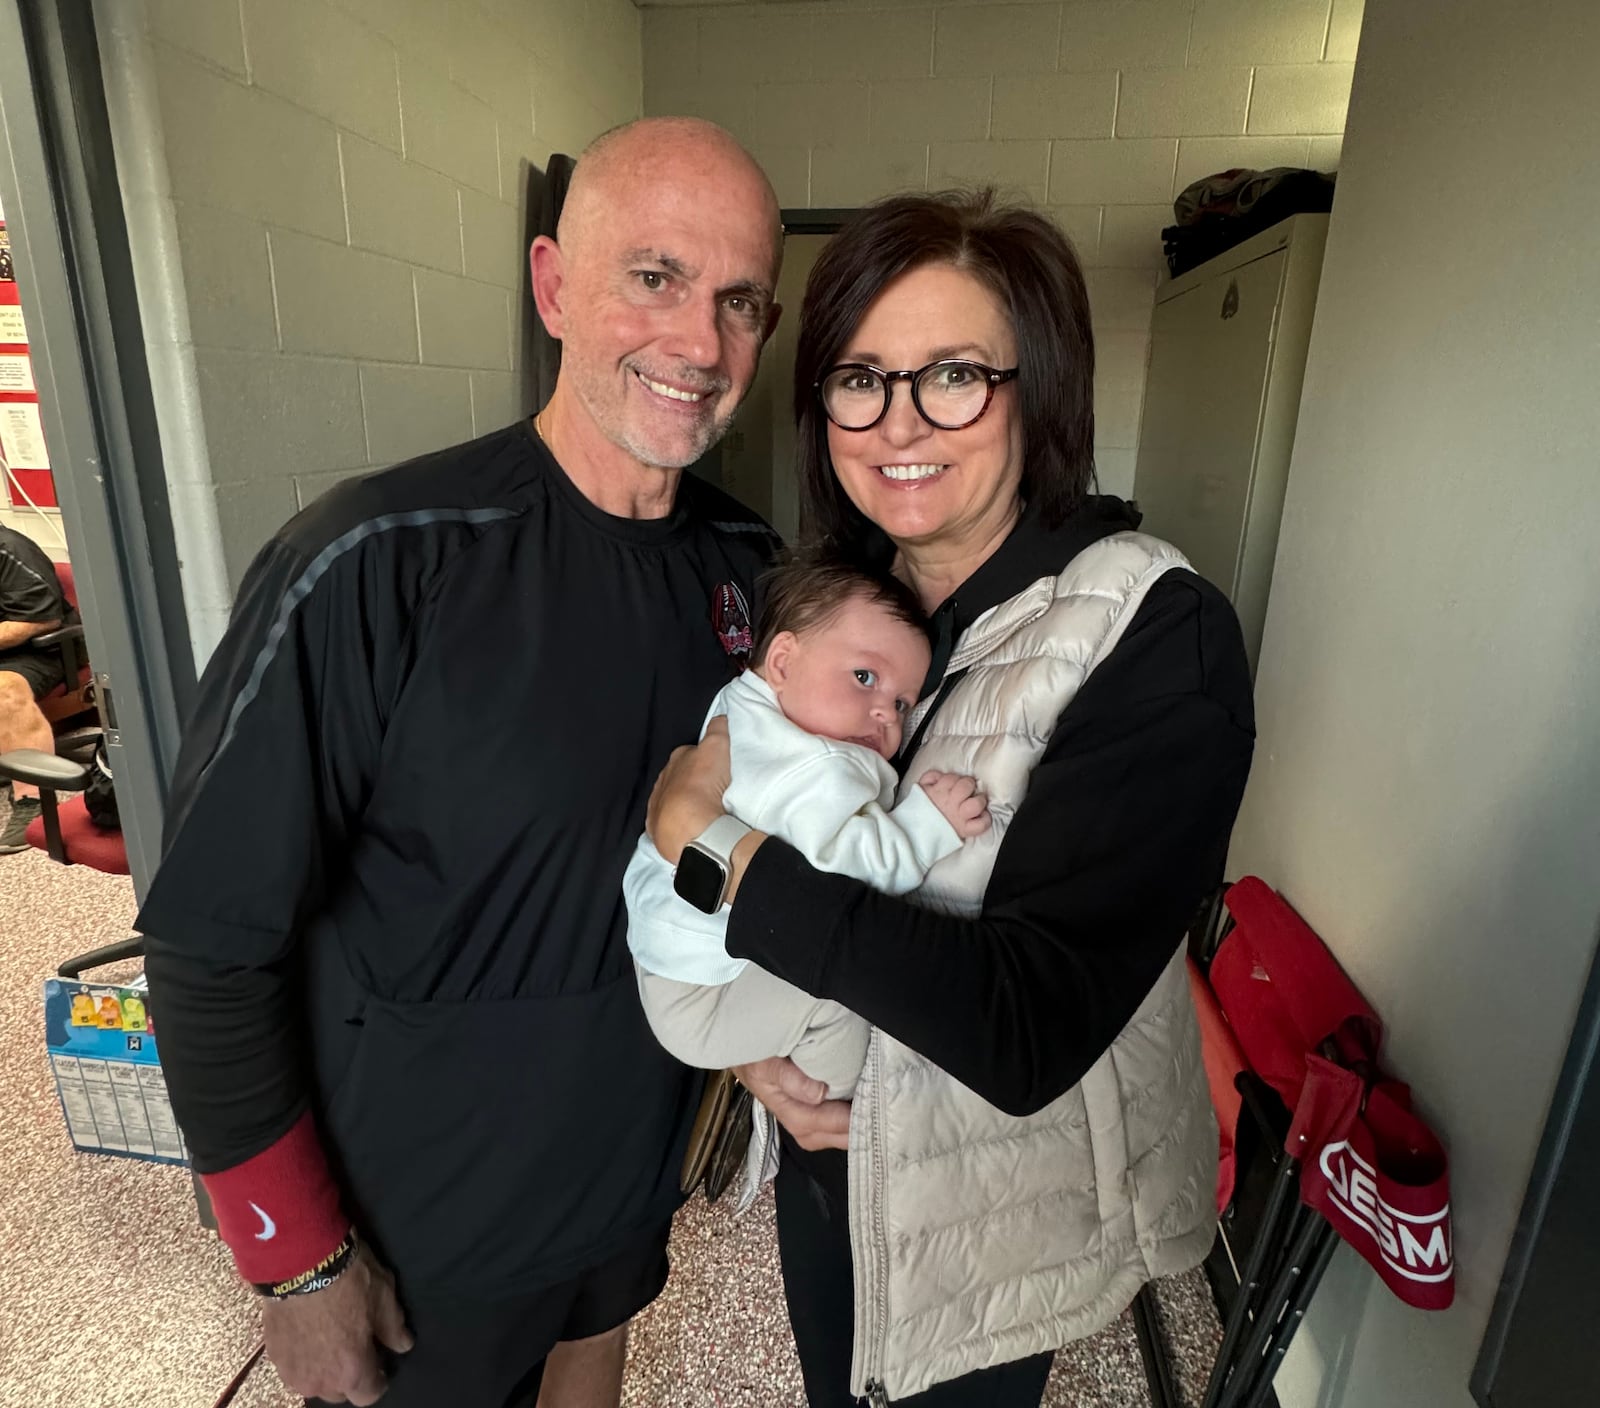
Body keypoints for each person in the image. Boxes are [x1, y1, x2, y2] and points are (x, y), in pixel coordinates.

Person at [136, 117, 785, 1408]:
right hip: (415, 1241)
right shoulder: (378, 561)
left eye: (740, 301)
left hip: (620, 1190)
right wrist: (295, 1264)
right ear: (553, 286)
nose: (701, 345)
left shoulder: (752, 576)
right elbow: (209, 944)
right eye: (653, 277)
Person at [646, 189, 1257, 1406]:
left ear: (1042, 387)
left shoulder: (1153, 633)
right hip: (832, 1179)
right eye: (860, 378)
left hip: (983, 1234)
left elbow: (1023, 1028)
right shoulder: (844, 609)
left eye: (954, 375)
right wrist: (757, 1056)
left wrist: (703, 847)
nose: (898, 421)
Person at [625, 552, 990, 1100]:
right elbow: (838, 880)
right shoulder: (816, 765)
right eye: (864, 677)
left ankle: (772, 1053)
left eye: (902, 701)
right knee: (841, 1001)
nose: (887, 715)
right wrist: (926, 825)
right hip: (706, 993)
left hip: (673, 957)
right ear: (784, 661)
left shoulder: (749, 708)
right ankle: (835, 1096)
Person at [0, 524, 75, 854]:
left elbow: (40, 620)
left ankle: (33, 798)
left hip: (38, 650)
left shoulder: (10, 549)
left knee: (4, 689)